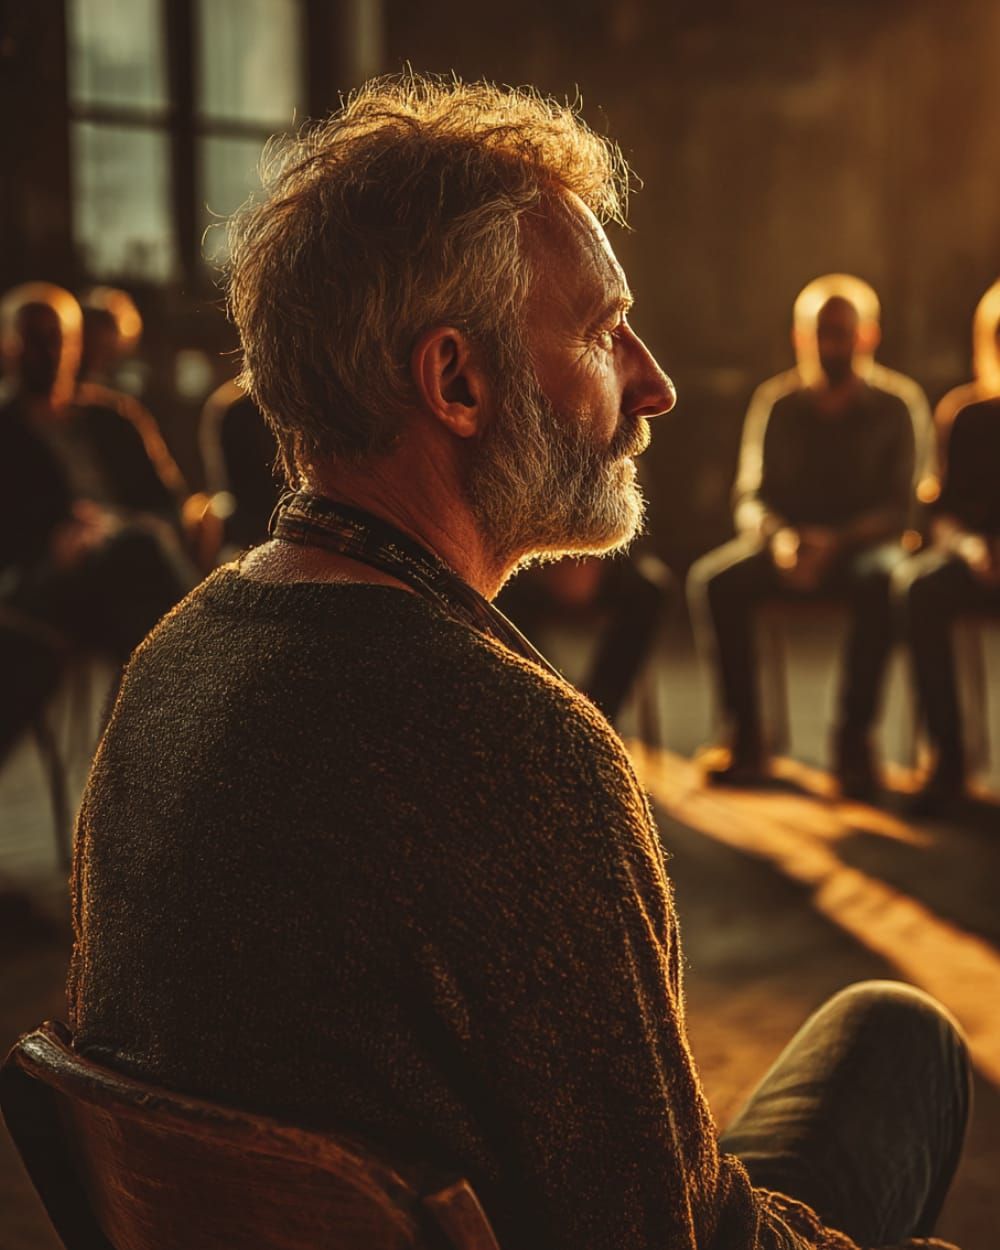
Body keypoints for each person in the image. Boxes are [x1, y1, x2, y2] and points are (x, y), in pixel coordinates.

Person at [68, 76, 968, 1250]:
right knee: (906, 1037)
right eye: (601, 331)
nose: (655, 384)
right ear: (456, 382)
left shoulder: (168, 665)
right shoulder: (525, 755)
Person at [688, 284, 921, 798]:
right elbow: (749, 496)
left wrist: (833, 542)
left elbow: (900, 510)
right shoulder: (776, 403)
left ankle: (854, 740)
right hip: (787, 548)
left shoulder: (897, 406)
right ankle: (746, 735)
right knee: (714, 580)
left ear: (868, 336)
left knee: (886, 578)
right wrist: (781, 539)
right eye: (822, 334)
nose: (832, 346)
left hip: (861, 549)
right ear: (800, 336)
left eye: (842, 334)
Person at [0, 282, 192, 763]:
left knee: (141, 557)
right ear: (8, 346)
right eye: (32, 338)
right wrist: (53, 548)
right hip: (41, 580)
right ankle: (205, 669)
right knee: (146, 568)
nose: (47, 351)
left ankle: (154, 752)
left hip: (122, 569)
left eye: (56, 338)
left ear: (75, 345)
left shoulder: (115, 419)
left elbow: (170, 503)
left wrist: (116, 526)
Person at [895, 392, 1000, 810]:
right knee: (918, 588)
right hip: (976, 558)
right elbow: (942, 511)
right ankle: (947, 760)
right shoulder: (967, 416)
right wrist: (970, 548)